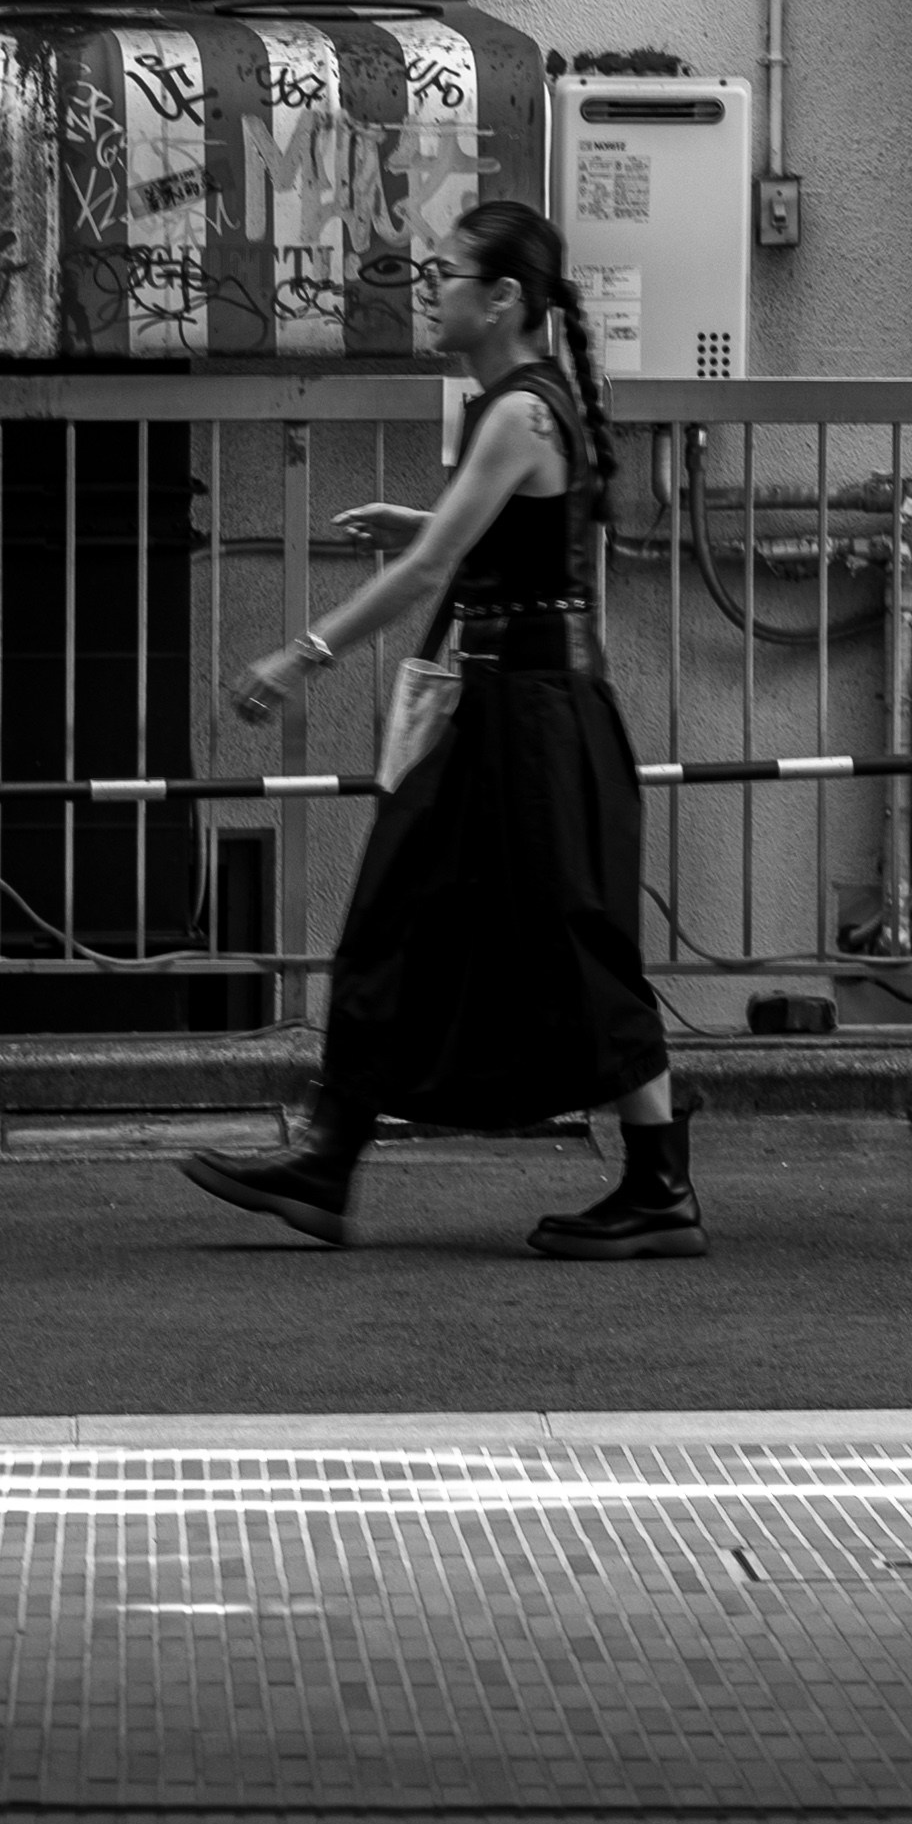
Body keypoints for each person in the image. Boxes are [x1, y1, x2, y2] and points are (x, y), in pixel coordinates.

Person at [186, 196, 705, 1256]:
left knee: (569, 938)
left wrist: (299, 655)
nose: (431, 290)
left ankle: (658, 1186)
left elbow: (438, 570)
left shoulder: (517, 410)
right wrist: (424, 519)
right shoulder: (523, 404)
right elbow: (511, 538)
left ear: (503, 298)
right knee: (394, 913)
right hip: (509, 710)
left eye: (448, 274)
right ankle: (329, 1159)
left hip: (528, 719)